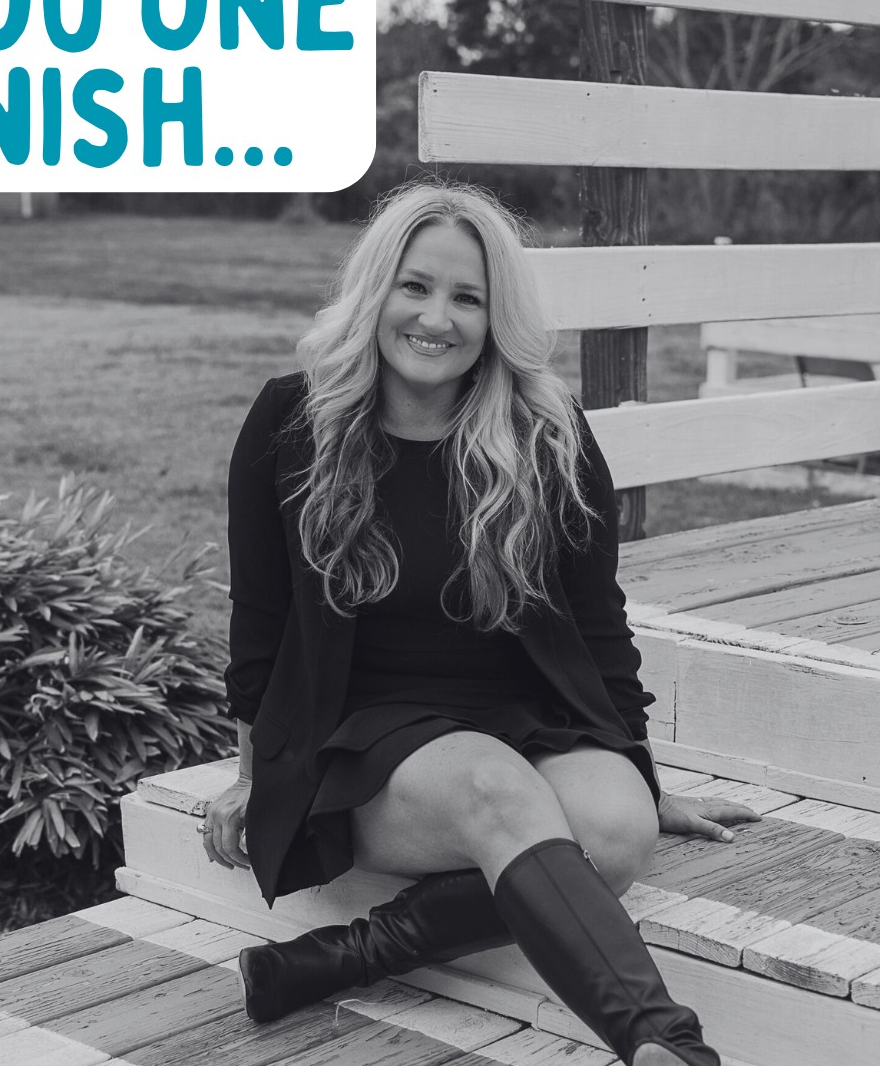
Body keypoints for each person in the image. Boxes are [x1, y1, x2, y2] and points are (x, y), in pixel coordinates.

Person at [199, 181, 758, 1066]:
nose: (437, 318)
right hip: (359, 740)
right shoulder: (292, 422)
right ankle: (665, 1041)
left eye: (468, 297)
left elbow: (598, 623)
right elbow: (259, 620)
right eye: (415, 286)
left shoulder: (546, 431)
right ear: (376, 290)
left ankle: (339, 957)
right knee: (495, 787)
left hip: (520, 716)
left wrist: (642, 776)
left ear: (499, 318)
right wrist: (249, 773)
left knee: (618, 831)